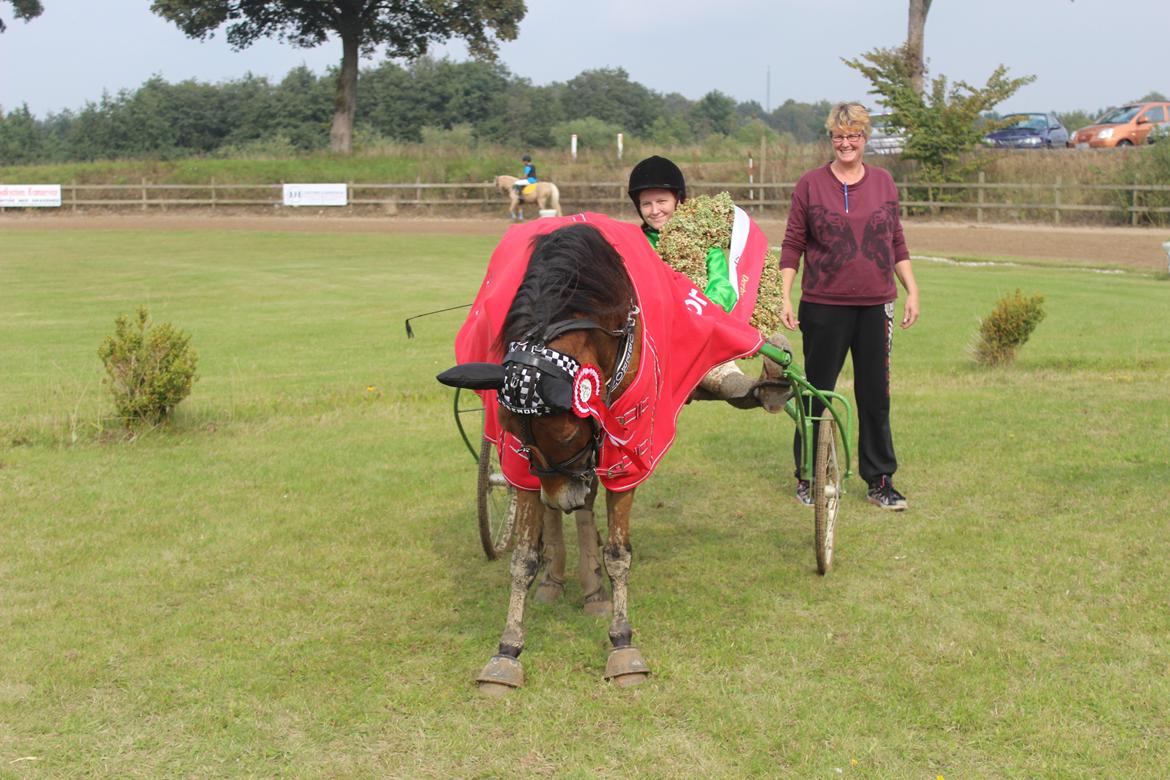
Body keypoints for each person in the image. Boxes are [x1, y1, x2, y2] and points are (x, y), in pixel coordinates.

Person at [778, 102, 920, 511]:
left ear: (865, 139)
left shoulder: (884, 183)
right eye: (839, 136)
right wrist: (785, 295)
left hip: (876, 305)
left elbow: (896, 241)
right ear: (831, 139)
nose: (846, 143)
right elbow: (793, 244)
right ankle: (810, 474)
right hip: (824, 305)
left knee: (875, 396)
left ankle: (880, 480)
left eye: (853, 136)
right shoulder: (810, 184)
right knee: (816, 393)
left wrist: (911, 289)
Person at [627, 155, 788, 411]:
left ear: (678, 201)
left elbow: (722, 286)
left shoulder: (705, 244)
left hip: (700, 333)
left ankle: (762, 388)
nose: (654, 210)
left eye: (661, 201)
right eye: (646, 204)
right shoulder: (635, 245)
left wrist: (695, 315)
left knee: (721, 375)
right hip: (654, 340)